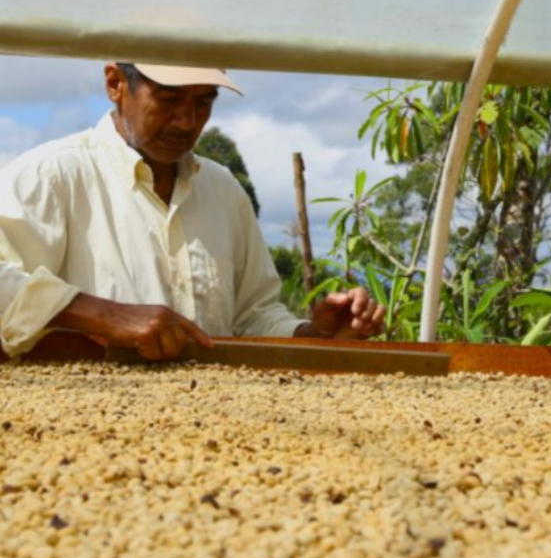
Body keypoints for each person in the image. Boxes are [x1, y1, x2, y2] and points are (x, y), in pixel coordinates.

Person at [0, 63, 385, 359]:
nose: (186, 121)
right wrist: (103, 315)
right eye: (168, 99)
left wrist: (316, 336)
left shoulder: (222, 191)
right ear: (116, 84)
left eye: (203, 102)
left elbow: (253, 316)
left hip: (209, 435)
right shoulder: (51, 174)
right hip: (79, 436)